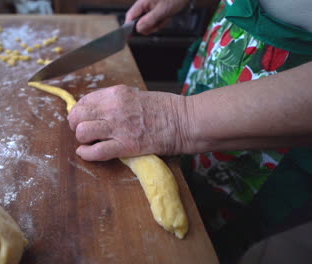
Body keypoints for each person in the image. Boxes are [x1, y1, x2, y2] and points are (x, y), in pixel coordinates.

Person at [67, 0, 312, 262]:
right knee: (196, 194)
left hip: (289, 122)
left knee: (225, 243)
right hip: (228, 54)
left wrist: (179, 119)